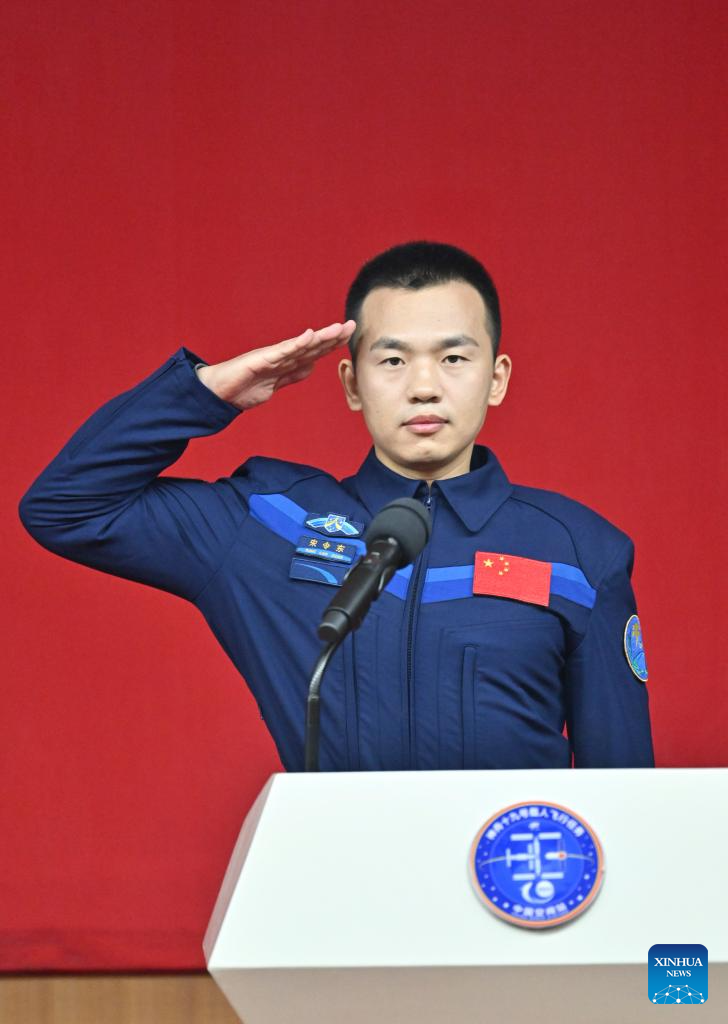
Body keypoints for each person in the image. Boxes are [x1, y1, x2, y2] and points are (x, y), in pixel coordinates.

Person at [18, 240, 654, 772]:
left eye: (454, 358)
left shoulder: (580, 553)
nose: (424, 386)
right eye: (393, 359)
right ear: (352, 383)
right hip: (332, 877)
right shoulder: (269, 524)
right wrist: (208, 392)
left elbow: (628, 795)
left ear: (497, 378)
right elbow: (66, 508)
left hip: (512, 878)